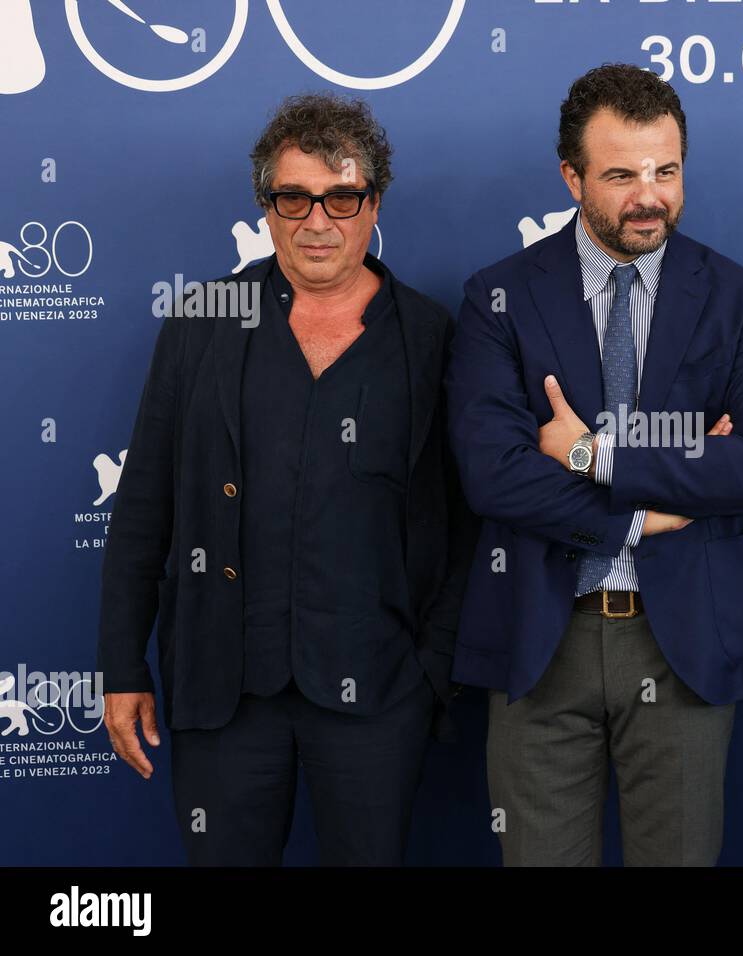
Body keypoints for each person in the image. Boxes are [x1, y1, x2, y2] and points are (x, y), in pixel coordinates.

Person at [98, 92, 472, 866]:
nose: (318, 221)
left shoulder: (430, 337)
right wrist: (123, 665)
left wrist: (429, 671)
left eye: (341, 197)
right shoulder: (202, 324)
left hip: (377, 692)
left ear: (374, 203)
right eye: (293, 198)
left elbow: (466, 523)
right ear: (267, 207)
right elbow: (143, 510)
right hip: (222, 691)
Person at [447, 64, 743, 866]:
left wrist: (590, 452)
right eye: (622, 174)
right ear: (571, 177)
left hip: (684, 649)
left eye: (666, 171)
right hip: (542, 635)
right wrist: (636, 512)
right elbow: (493, 472)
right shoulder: (498, 297)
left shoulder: (738, 299)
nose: (649, 195)